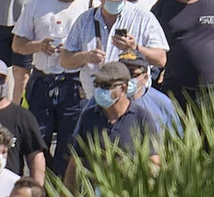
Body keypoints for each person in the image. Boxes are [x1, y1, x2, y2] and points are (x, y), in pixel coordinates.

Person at [9, 0, 90, 175]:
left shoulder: (89, 5)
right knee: (36, 142)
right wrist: (40, 45)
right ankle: (44, 183)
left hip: (74, 83)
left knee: (70, 145)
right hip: (42, 81)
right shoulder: (38, 4)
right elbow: (18, 45)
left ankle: (62, 186)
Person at [60, 0, 169, 100]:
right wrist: (86, 57)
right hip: (95, 100)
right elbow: (65, 60)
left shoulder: (143, 18)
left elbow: (161, 59)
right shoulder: (85, 20)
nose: (116, 1)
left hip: (133, 100)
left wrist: (135, 48)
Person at [62, 61, 160, 189]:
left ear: (123, 88)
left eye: (106, 85)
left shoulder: (141, 117)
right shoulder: (89, 116)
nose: (100, 90)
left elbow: (154, 161)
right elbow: (76, 160)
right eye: (97, 84)